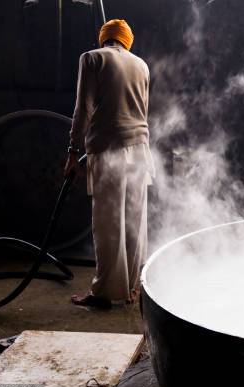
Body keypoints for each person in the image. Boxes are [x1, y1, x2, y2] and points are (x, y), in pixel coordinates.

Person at [64, 19, 154, 309]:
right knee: (134, 222)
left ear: (104, 38)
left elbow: (83, 108)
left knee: (108, 223)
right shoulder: (142, 65)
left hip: (108, 148)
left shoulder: (91, 58)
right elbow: (143, 110)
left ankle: (103, 293)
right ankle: (130, 288)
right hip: (140, 149)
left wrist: (72, 150)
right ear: (127, 40)